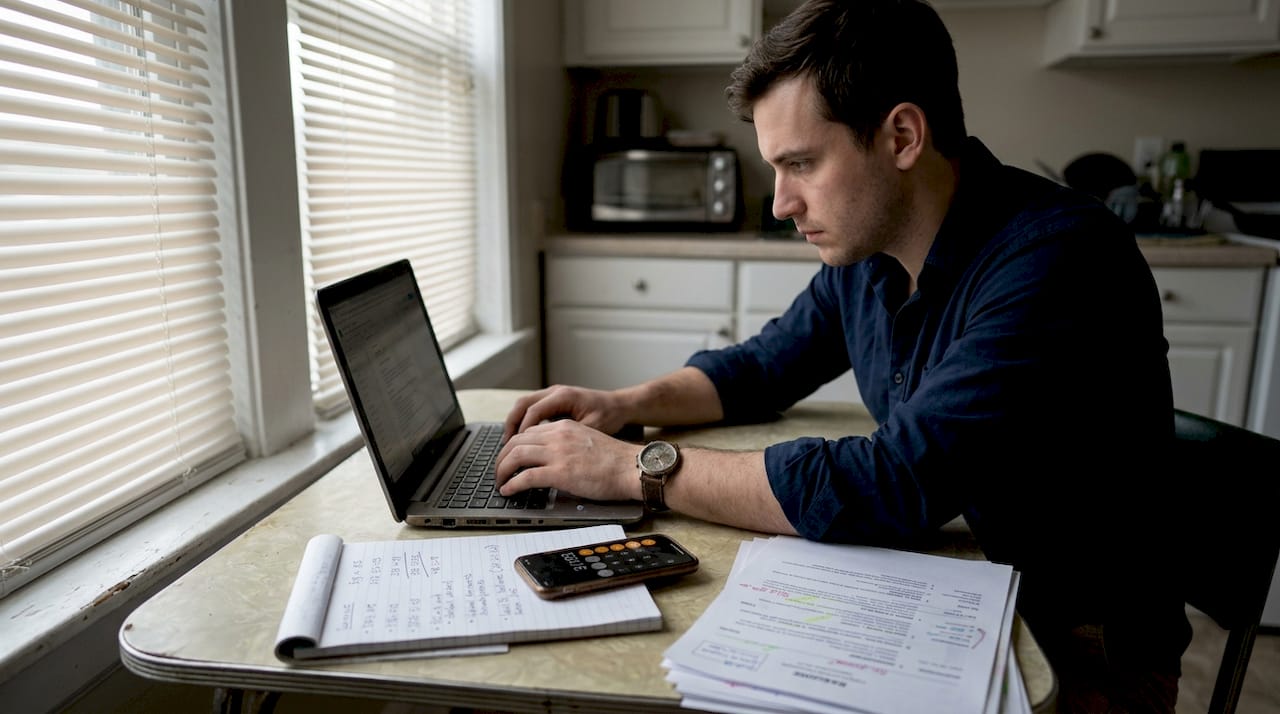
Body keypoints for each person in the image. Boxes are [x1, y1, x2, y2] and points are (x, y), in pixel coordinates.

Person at [495, 1, 1190, 710]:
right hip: (971, 590)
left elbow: (891, 485)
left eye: (800, 163)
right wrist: (623, 405)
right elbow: (762, 366)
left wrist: (632, 467)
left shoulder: (1059, 256)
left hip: (1074, 649)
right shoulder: (872, 253)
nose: (780, 203)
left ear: (902, 136)